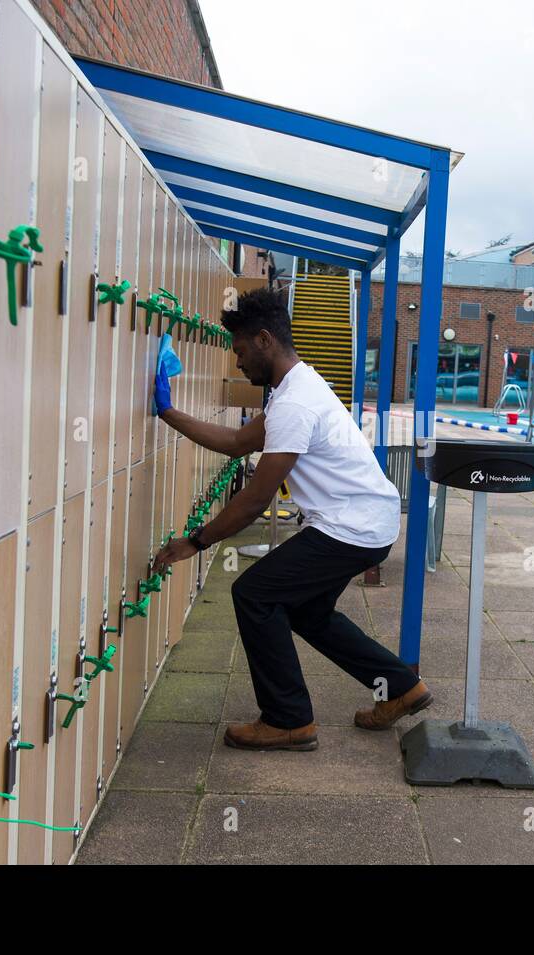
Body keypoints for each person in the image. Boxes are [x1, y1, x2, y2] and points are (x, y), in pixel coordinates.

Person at [151, 287, 432, 751]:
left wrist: (196, 542)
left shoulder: (295, 404)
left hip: (351, 527)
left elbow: (256, 499)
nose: (237, 363)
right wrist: (167, 412)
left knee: (254, 594)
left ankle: (288, 719)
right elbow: (237, 442)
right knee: (308, 611)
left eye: (240, 352)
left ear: (264, 340)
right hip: (364, 520)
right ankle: (401, 688)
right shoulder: (294, 389)